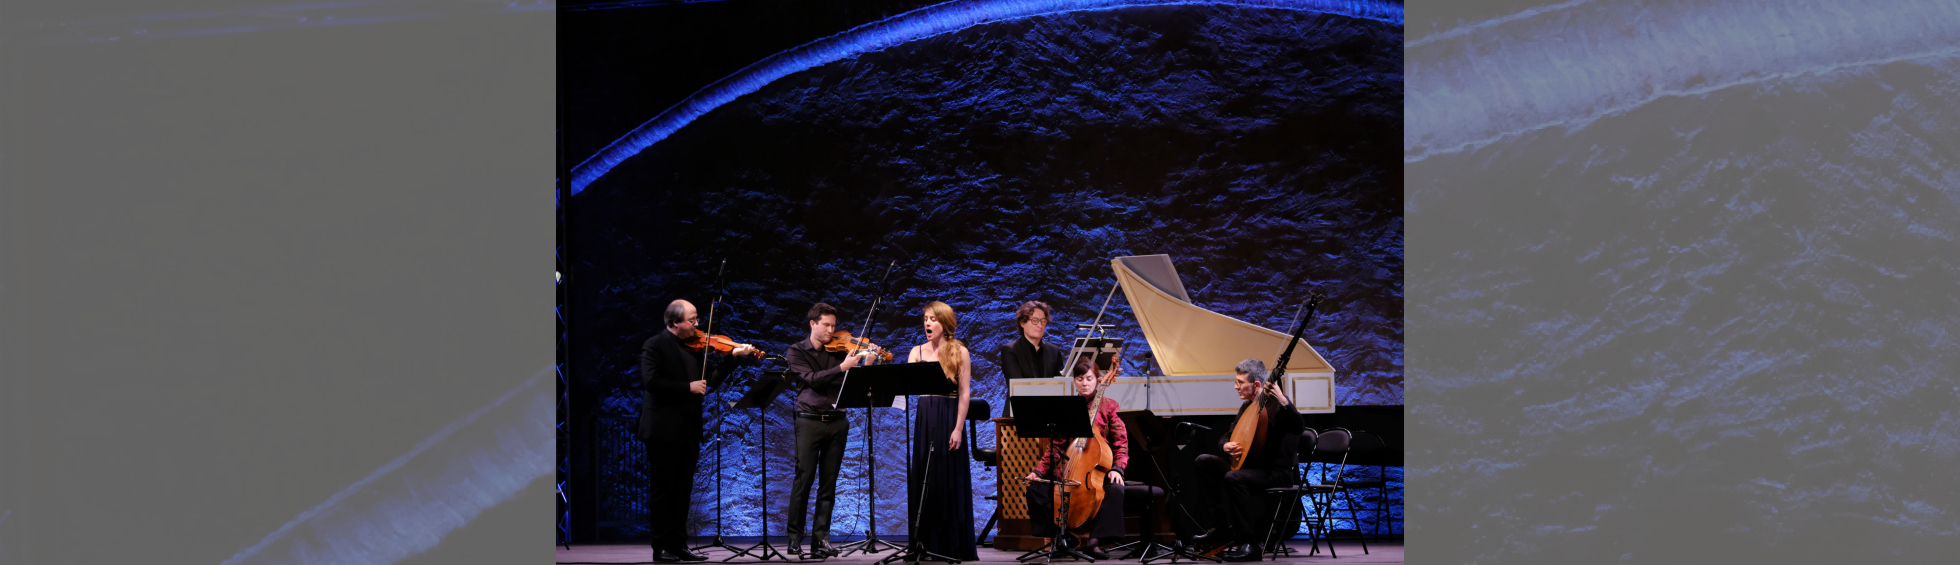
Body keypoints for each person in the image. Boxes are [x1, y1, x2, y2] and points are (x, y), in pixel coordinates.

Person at [638, 299, 756, 563]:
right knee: (663, 491)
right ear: (674, 323)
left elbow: (710, 380)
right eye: (692, 320)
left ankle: (679, 545)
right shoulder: (655, 345)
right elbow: (652, 382)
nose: (698, 325)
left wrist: (733, 358)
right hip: (662, 431)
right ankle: (661, 548)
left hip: (688, 430)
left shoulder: (693, 347)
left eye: (697, 319)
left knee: (682, 491)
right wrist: (687, 387)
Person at [781, 302, 880, 558]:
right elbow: (812, 380)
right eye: (827, 325)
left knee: (829, 483)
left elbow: (856, 384)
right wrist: (842, 367)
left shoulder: (840, 351)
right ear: (813, 324)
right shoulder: (796, 352)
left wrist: (868, 362)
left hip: (837, 421)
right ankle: (794, 538)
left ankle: (820, 540)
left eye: (834, 326)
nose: (832, 331)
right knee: (803, 481)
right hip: (809, 421)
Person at [1191, 358, 1303, 562]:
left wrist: (1284, 402)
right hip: (1250, 467)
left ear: (1257, 385)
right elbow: (1229, 435)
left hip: (1277, 472)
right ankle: (1220, 528)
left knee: (1234, 478)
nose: (1236, 387)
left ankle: (1248, 543)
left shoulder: (1277, 405)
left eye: (1240, 382)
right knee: (1203, 461)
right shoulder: (1247, 407)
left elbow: (1298, 427)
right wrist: (1225, 446)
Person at [1022, 354, 1129, 560]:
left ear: (1098, 380)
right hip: (1071, 468)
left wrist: (1118, 468)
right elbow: (1056, 447)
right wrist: (1038, 471)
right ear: (1075, 382)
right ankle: (1063, 538)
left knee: (1115, 489)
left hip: (1099, 471)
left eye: (1089, 378)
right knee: (1036, 488)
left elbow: (1121, 443)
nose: (1085, 383)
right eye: (1080, 379)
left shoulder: (1109, 406)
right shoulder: (1068, 409)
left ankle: (1095, 541)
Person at [903, 301, 980, 561]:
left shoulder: (960, 351)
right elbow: (905, 383)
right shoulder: (917, 352)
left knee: (948, 478)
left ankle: (950, 545)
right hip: (925, 416)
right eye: (925, 318)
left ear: (945, 323)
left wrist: (958, 428)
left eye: (933, 319)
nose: (927, 323)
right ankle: (923, 541)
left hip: (949, 416)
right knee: (925, 478)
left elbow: (964, 392)